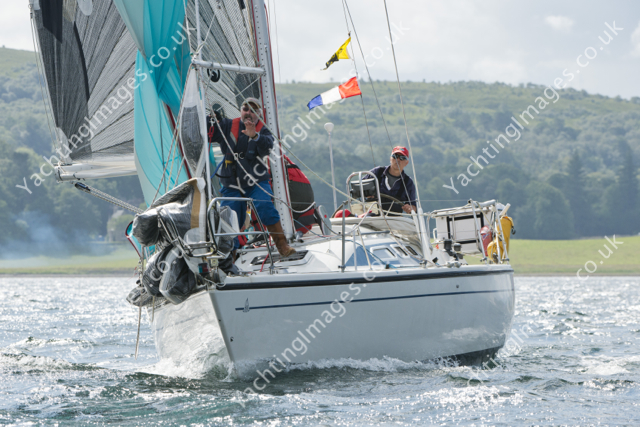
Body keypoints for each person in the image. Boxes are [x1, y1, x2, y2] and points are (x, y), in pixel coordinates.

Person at [208, 97, 295, 258]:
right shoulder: (227, 125)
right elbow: (209, 134)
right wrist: (211, 120)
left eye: (253, 110)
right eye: (246, 109)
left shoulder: (263, 130)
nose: (249, 113)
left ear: (259, 114)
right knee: (229, 217)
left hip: (256, 182)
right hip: (231, 184)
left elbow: (267, 147)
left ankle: (282, 245)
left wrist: (254, 136)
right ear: (241, 111)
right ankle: (230, 255)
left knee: (265, 206)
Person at [370, 146, 417, 214]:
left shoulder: (408, 182)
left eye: (402, 158)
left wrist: (410, 208)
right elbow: (358, 187)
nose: (398, 160)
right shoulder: (377, 172)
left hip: (394, 219)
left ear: (406, 163)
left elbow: (413, 206)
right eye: (395, 156)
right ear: (390, 159)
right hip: (371, 216)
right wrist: (367, 193)